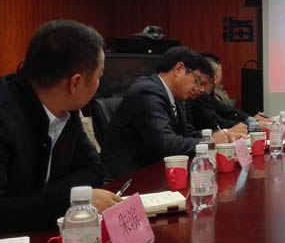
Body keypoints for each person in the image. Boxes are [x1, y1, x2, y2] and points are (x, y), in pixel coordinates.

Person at [0, 20, 121, 236]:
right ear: (75, 83)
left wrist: (44, 199)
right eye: (99, 76)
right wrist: (70, 199)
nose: (99, 84)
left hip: (45, 234)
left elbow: (93, 169)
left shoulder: (66, 109)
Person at [100, 47, 240, 179]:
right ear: (178, 69)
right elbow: (165, 144)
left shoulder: (174, 96)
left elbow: (186, 134)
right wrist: (210, 142)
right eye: (197, 81)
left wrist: (223, 135)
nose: (201, 89)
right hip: (128, 179)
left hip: (154, 172)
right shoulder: (147, 91)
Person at [190, 55, 261, 133]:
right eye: (198, 82)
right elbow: (217, 122)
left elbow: (225, 109)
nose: (202, 89)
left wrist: (252, 121)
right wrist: (252, 125)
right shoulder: (197, 97)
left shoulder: (210, 94)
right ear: (215, 78)